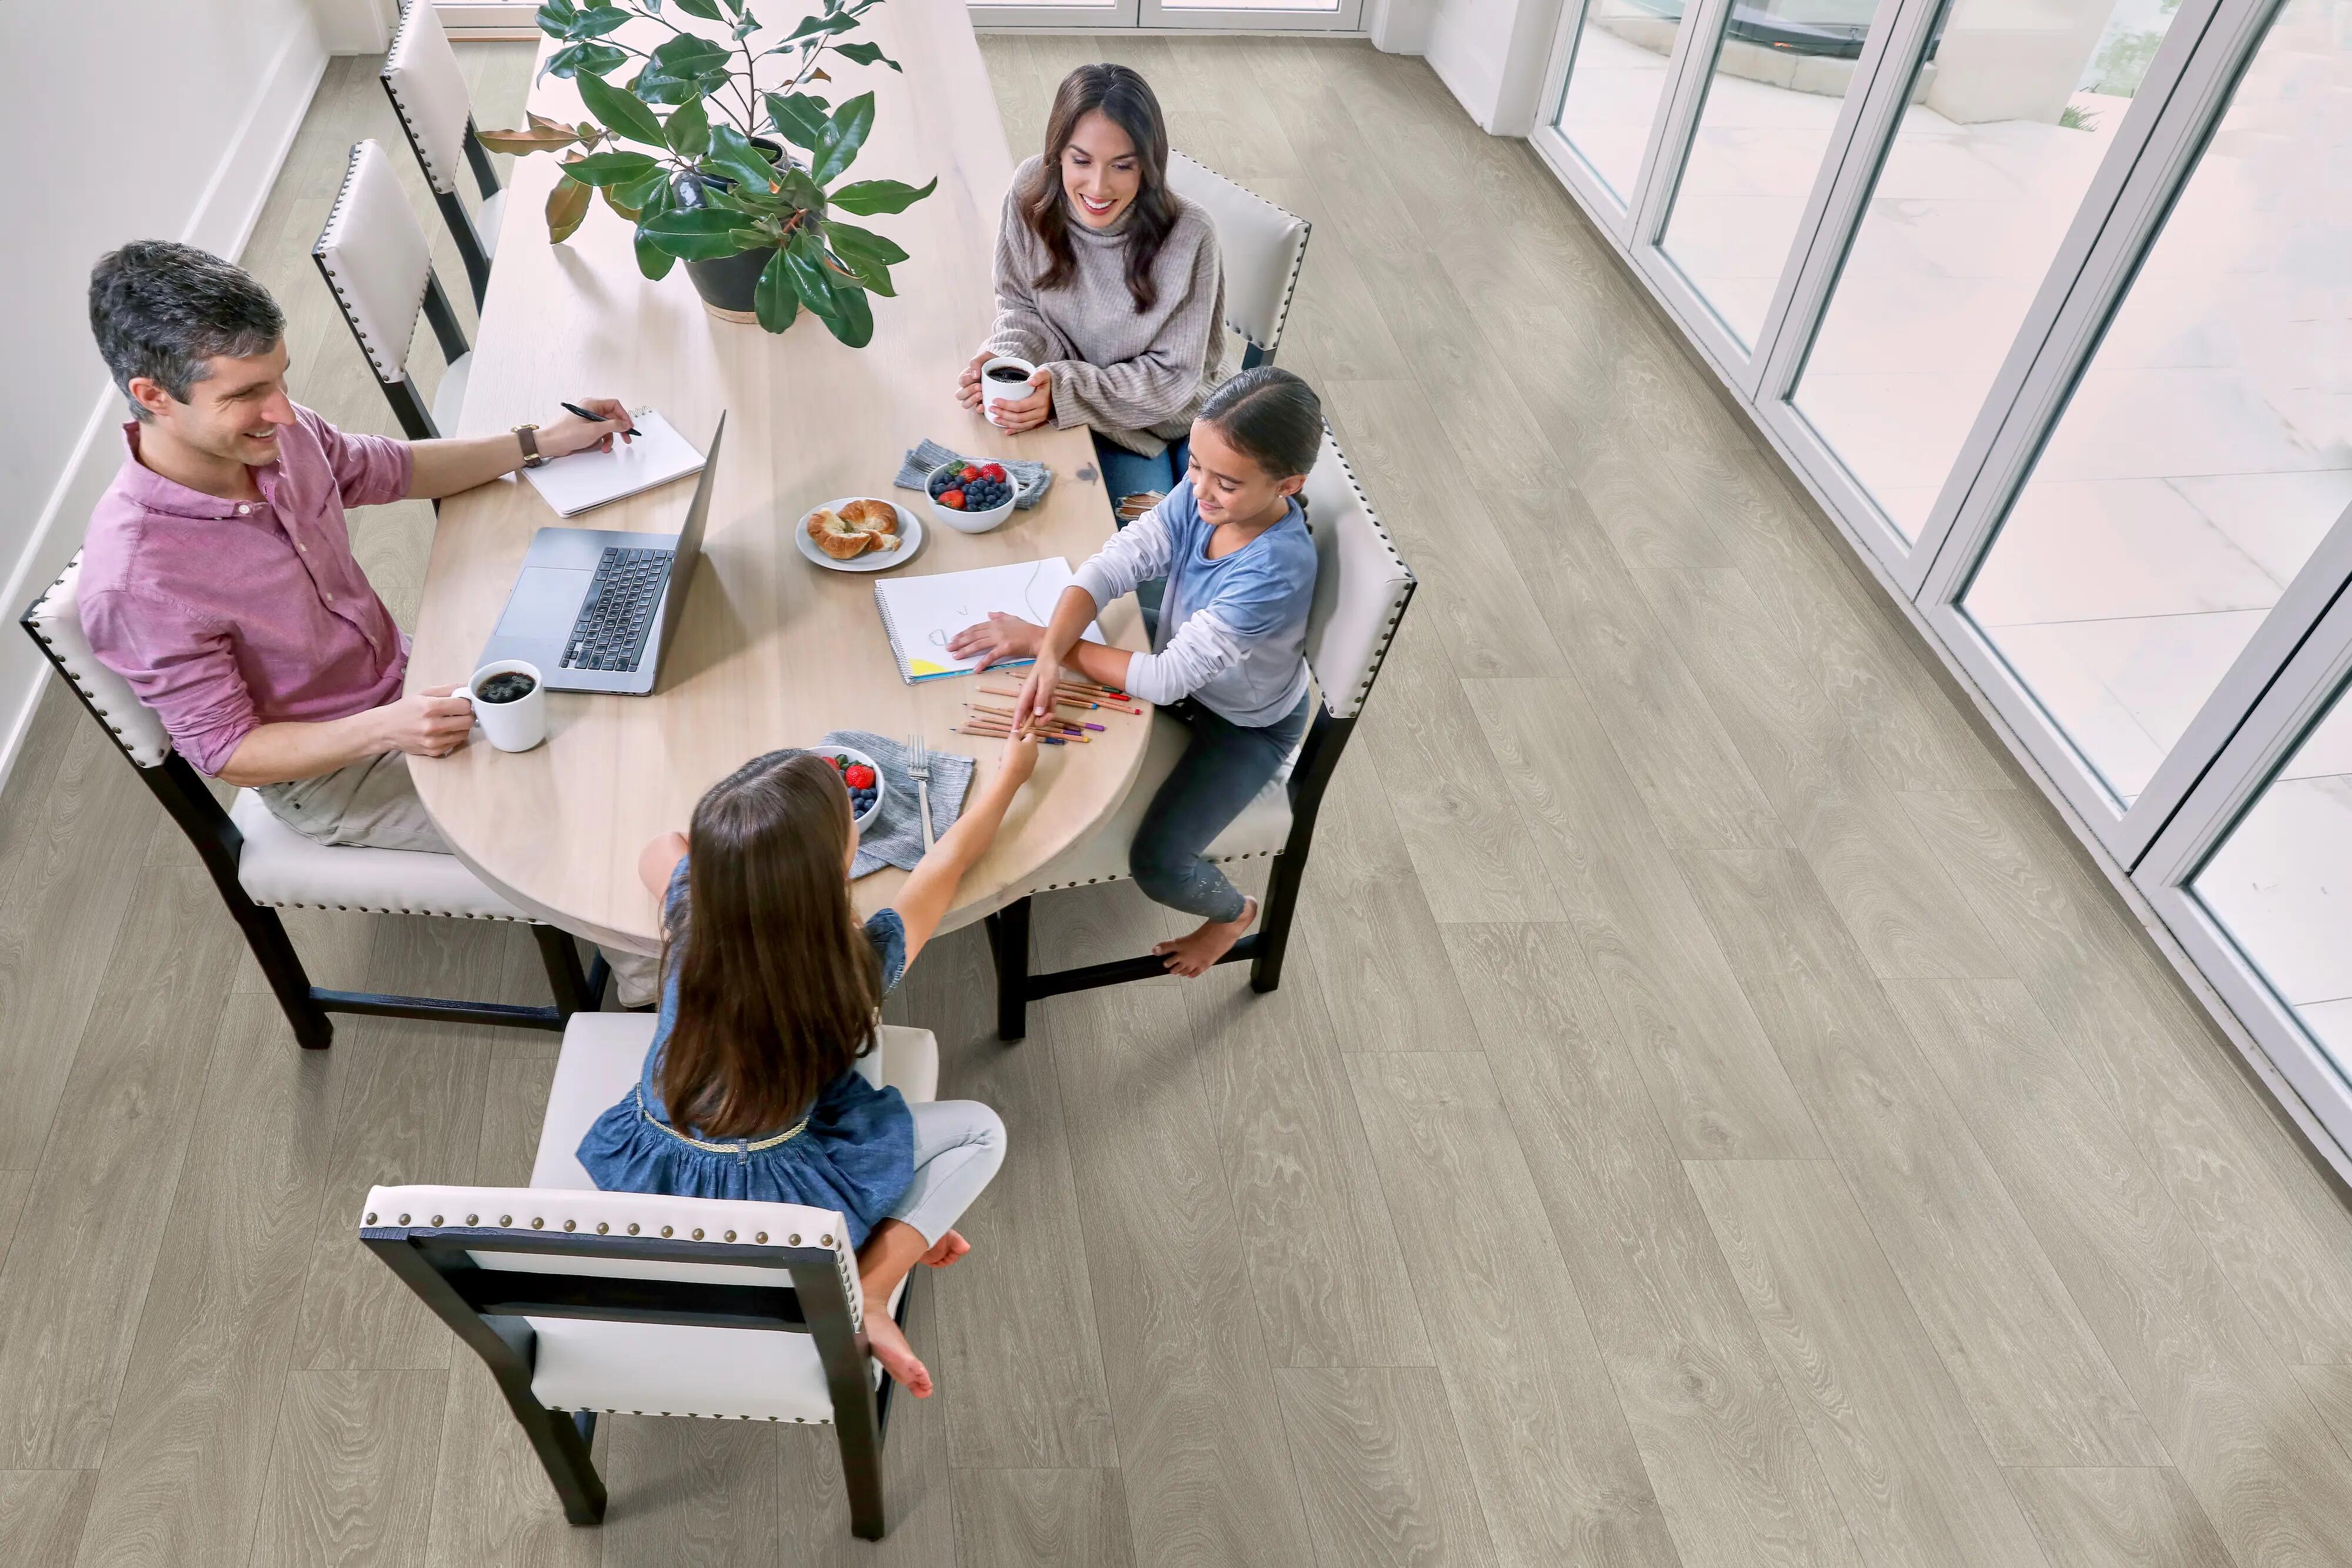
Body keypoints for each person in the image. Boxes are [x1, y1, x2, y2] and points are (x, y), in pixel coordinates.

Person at [76, 242, 660, 999]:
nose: (281, 410)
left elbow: (393, 469)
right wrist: (391, 728)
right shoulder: (137, 581)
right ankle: (668, 1007)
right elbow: (228, 750)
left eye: (281, 377)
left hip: (410, 680)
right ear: (154, 396)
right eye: (248, 393)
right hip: (335, 770)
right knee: (590, 826)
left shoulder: (276, 435)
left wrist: (539, 443)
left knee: (631, 722)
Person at [577, 731, 1038, 1396]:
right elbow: (951, 861)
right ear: (836, 867)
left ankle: (876, 1237)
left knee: (848, 1067)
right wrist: (1011, 777)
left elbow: (659, 848)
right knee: (980, 1131)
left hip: (653, 1168)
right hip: (773, 1195)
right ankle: (872, 1289)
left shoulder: (692, 912)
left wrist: (722, 858)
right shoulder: (852, 967)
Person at [948, 367, 1321, 977]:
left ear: (1289, 484)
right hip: (1183, 653)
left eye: (1224, 482)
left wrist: (1045, 640)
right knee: (1060, 656)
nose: (1198, 490)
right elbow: (1113, 564)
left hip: (1242, 725)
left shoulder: (1274, 572)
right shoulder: (1202, 492)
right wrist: (1045, 654)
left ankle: (1231, 914)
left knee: (1160, 861)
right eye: (1194, 465)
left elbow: (1166, 680)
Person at [960, 63, 1227, 553]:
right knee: (1000, 531)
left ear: (1149, 164)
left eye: (1122, 165)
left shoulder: (1190, 235)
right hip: (1062, 403)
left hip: (1149, 425)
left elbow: (1173, 381)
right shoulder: (1030, 193)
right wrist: (1006, 363)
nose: (1099, 188)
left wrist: (1062, 390)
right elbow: (1020, 305)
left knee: (1133, 558)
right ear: (1056, 153)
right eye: (1081, 160)